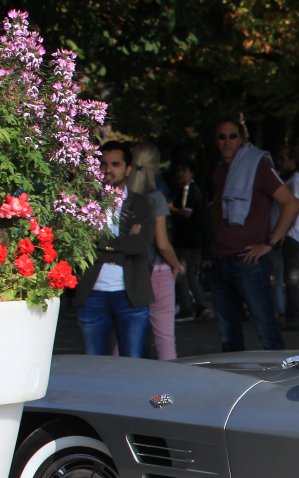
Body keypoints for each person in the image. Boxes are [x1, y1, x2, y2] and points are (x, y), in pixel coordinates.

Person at [209, 117, 299, 352]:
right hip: (221, 259)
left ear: (241, 139)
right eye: (222, 136)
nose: (227, 141)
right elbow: (217, 211)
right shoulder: (219, 171)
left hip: (249, 261)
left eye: (233, 136)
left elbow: (291, 203)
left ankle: (279, 376)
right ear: (216, 141)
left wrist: (269, 242)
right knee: (228, 337)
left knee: (267, 332)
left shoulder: (257, 165)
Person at [76, 141, 152, 357]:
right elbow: (81, 246)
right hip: (93, 293)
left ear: (128, 169)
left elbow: (140, 245)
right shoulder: (86, 203)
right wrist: (123, 243)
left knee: (133, 366)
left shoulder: (142, 203)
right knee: (96, 365)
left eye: (115, 164)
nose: (108, 169)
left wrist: (101, 243)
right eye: (103, 164)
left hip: (131, 294)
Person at [129, 142, 181, 360]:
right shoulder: (156, 198)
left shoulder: (123, 196)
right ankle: (170, 382)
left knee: (127, 339)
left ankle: (115, 377)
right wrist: (176, 264)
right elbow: (162, 243)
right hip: (157, 270)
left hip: (130, 270)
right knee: (164, 339)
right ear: (155, 166)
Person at [273, 148, 299, 330]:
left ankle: (294, 318)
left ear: (292, 160)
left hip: (293, 235)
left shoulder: (296, 182)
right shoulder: (293, 181)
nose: (280, 162)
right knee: (295, 279)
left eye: (283, 158)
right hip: (295, 235)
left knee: (292, 280)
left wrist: (282, 232)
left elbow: (294, 209)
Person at [168, 162, 209, 321]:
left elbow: (186, 212)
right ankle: (200, 305)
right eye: (180, 170)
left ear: (191, 173)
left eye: (184, 170)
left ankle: (188, 307)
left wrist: (171, 208)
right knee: (190, 273)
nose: (181, 174)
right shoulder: (192, 189)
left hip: (187, 238)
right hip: (193, 238)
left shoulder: (188, 190)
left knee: (184, 272)